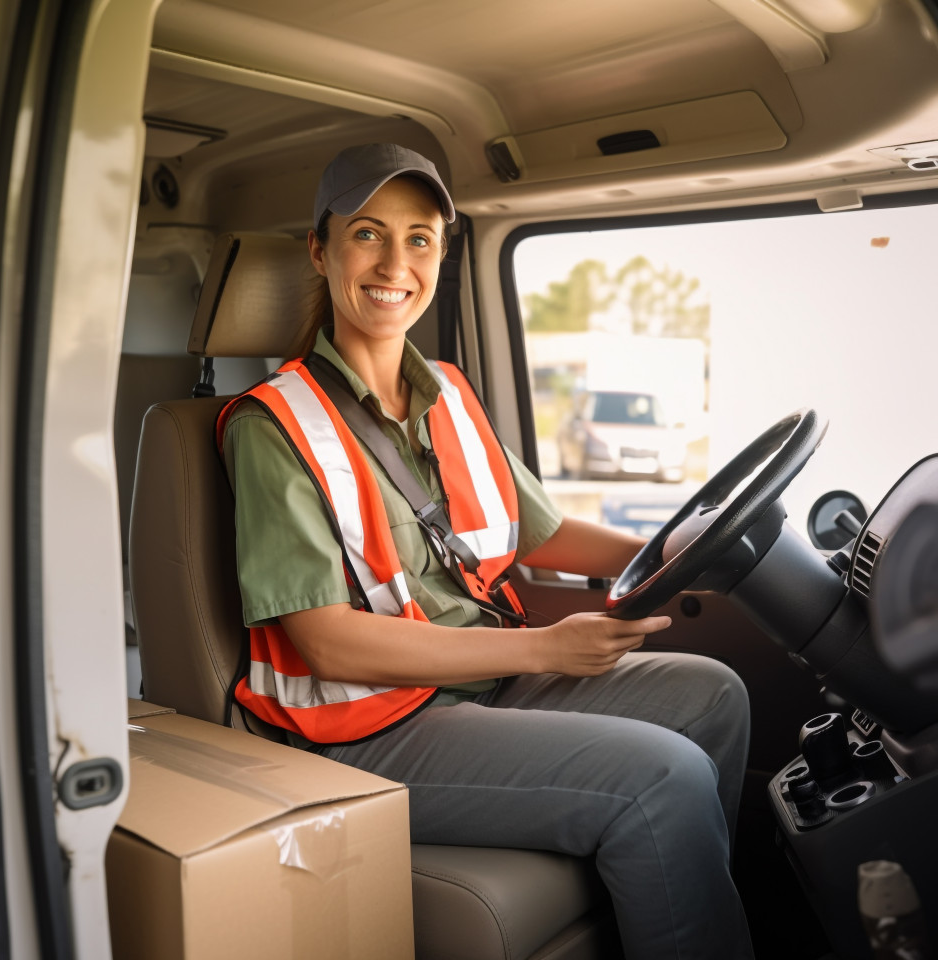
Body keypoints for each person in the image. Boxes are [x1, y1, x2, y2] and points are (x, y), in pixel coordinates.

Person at [218, 142, 755, 959]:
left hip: (481, 682)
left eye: (420, 239)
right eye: (367, 234)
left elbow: (540, 531)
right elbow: (325, 641)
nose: (395, 263)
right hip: (365, 728)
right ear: (321, 251)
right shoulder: (271, 425)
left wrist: (676, 551)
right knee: (663, 774)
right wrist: (544, 648)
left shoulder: (450, 393)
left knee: (714, 695)